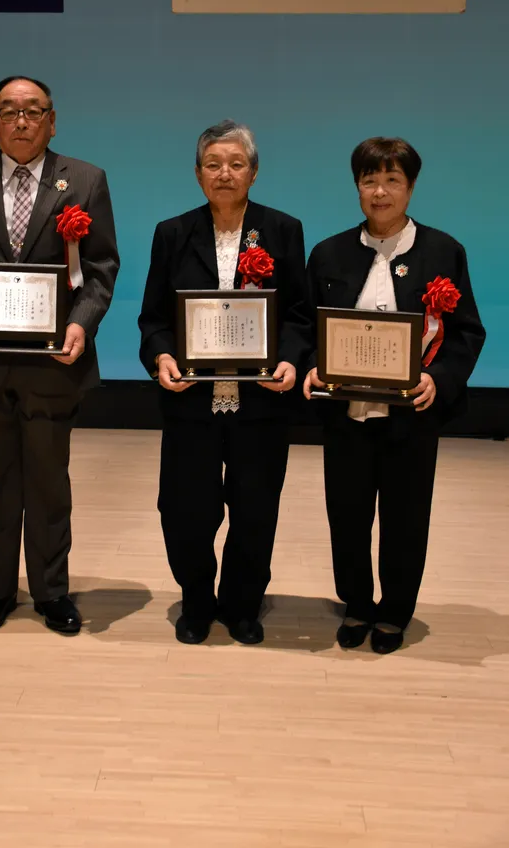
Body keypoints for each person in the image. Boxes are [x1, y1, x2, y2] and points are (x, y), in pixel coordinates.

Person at [0, 76, 119, 636]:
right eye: (8, 111)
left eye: (33, 111)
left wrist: (81, 326)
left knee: (49, 482)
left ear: (52, 120)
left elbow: (102, 269)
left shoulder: (84, 179)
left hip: (54, 362)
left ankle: (52, 592)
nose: (21, 121)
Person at [304, 137, 485, 654]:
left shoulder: (443, 251)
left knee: (406, 518)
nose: (379, 192)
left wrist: (439, 379)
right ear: (357, 186)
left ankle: (395, 612)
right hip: (347, 416)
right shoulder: (329, 253)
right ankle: (357, 604)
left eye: (392, 181)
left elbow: (467, 332)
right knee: (348, 514)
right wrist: (314, 363)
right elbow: (308, 328)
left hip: (412, 419)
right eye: (369, 180)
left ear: (410, 187)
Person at [139, 120, 310, 645]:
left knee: (256, 505)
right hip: (190, 401)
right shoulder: (172, 232)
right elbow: (154, 319)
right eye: (213, 164)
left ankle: (241, 603)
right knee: (185, 507)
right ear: (197, 174)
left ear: (253, 173)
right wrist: (162, 357)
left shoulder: (282, 230)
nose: (225, 173)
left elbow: (299, 315)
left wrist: (290, 360)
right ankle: (196, 599)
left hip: (261, 401)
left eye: (236, 164)